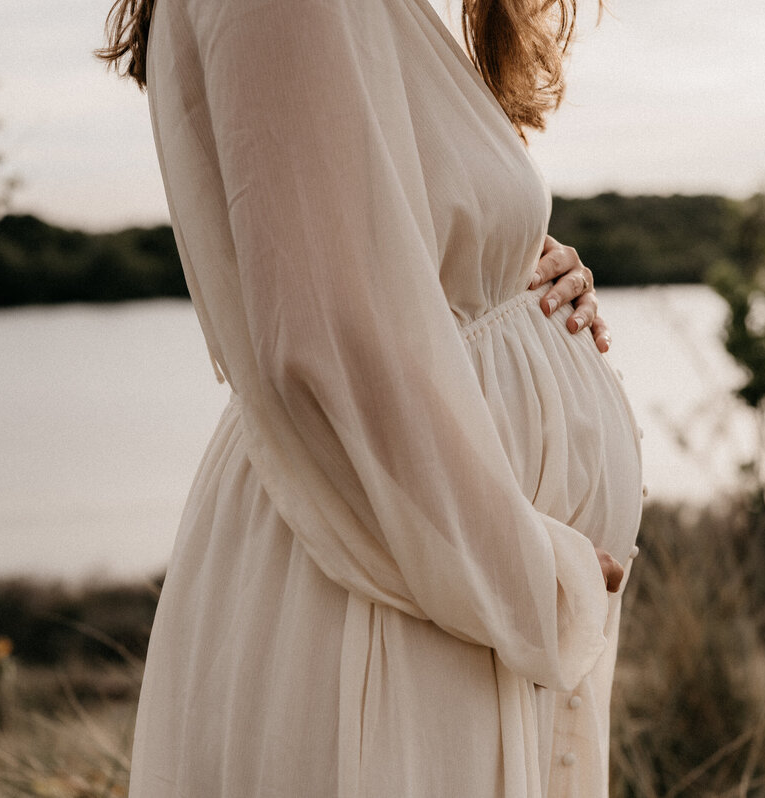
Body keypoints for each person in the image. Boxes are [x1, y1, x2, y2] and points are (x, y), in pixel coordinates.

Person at [98, 0, 644, 794]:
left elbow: (369, 249)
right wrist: (530, 573)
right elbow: (325, 342)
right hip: (393, 593)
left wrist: (516, 265)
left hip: (435, 581)